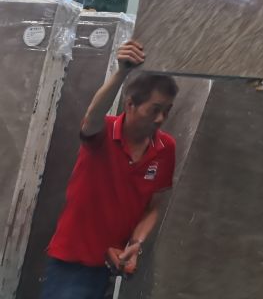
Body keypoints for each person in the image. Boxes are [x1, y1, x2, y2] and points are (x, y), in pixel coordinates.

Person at [42, 40, 177, 299]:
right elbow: (93, 115)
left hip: (112, 263)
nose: (161, 118)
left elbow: (153, 206)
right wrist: (121, 73)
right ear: (130, 104)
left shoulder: (165, 147)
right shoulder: (103, 132)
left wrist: (135, 243)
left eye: (167, 111)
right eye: (155, 110)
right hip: (74, 261)